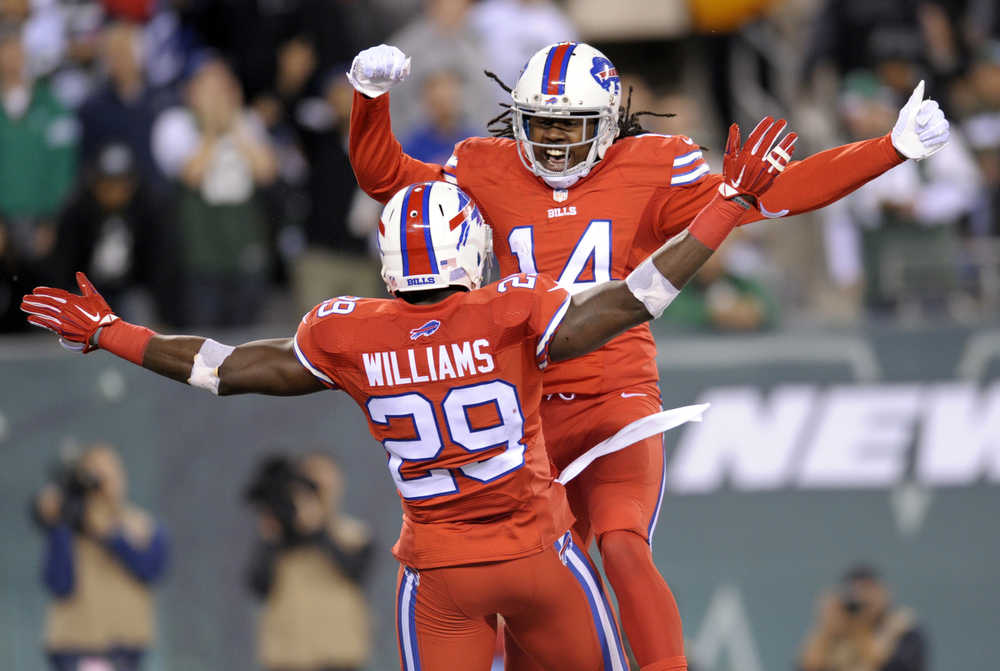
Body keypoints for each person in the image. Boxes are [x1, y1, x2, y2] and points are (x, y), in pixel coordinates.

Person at [21, 119, 794, 671]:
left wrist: (115, 333)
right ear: (470, 249)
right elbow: (637, 298)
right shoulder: (511, 306)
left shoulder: (352, 331)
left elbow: (222, 368)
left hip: (440, 575)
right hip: (540, 555)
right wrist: (726, 205)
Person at [344, 41, 951, 671]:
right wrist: (369, 97)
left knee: (622, 542)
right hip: (528, 417)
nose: (552, 142)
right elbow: (387, 180)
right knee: (545, 584)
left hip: (616, 399)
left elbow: (774, 194)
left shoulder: (655, 165)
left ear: (607, 124)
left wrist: (890, 149)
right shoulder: (485, 165)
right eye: (540, 123)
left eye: (570, 125)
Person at [32, 443, 169, 671]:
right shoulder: (67, 529)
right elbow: (59, 584)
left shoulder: (142, 526)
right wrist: (62, 525)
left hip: (124, 647)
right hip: (73, 646)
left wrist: (109, 534)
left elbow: (150, 569)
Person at [245, 453, 375, 671]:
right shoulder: (278, 538)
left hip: (339, 659)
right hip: (286, 658)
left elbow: (354, 572)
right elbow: (258, 585)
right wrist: (273, 536)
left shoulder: (354, 535)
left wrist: (317, 529)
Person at [797, 564, 928, 671]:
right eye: (855, 592)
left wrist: (861, 627)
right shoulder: (833, 630)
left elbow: (897, 667)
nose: (861, 599)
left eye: (868, 590)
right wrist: (826, 628)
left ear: (884, 593)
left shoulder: (902, 628)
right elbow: (807, 666)